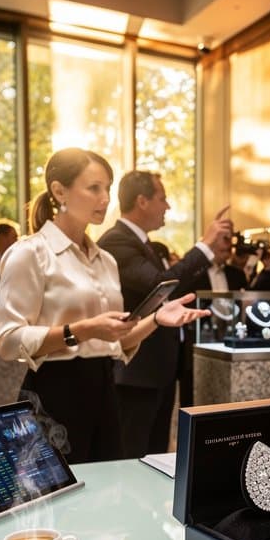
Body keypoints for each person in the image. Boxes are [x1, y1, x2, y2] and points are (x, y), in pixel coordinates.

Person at [0, 149, 207, 464]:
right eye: (94, 188)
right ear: (59, 191)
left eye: (107, 188)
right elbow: (8, 341)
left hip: (107, 393)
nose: (105, 198)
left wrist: (156, 320)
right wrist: (81, 330)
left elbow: (117, 343)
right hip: (55, 395)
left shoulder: (105, 260)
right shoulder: (30, 253)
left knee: (106, 497)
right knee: (56, 504)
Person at [97, 170, 231, 458]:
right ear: (142, 201)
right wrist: (205, 246)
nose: (167, 206)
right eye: (163, 198)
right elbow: (161, 284)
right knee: (132, 456)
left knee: (156, 453)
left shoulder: (145, 244)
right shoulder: (117, 241)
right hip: (135, 372)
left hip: (158, 370)